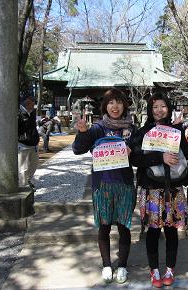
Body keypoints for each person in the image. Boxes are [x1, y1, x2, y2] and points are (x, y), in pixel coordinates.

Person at [72, 89, 136, 284]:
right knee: (104, 227)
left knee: (124, 227)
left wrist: (132, 150)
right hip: (102, 185)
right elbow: (78, 149)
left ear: (124, 105)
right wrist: (83, 133)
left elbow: (140, 153)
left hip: (124, 185)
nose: (114, 106)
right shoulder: (98, 128)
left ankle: (123, 266)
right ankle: (107, 264)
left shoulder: (131, 129)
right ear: (105, 106)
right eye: (110, 102)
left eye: (118, 102)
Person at [130, 93, 188, 288]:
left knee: (172, 231)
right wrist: (160, 157)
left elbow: (187, 154)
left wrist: (180, 130)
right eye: (155, 106)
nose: (159, 110)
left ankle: (170, 269)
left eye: (163, 106)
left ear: (168, 108)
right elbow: (134, 159)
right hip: (152, 189)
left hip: (173, 188)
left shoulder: (175, 130)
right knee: (154, 231)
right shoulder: (142, 132)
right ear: (150, 109)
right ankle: (154, 270)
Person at [18, 93, 39, 190]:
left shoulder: (32, 112)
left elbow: (33, 127)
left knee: (34, 165)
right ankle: (23, 186)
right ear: (27, 102)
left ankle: (29, 181)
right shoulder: (19, 113)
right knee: (23, 168)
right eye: (32, 102)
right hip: (23, 144)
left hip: (33, 143)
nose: (33, 104)